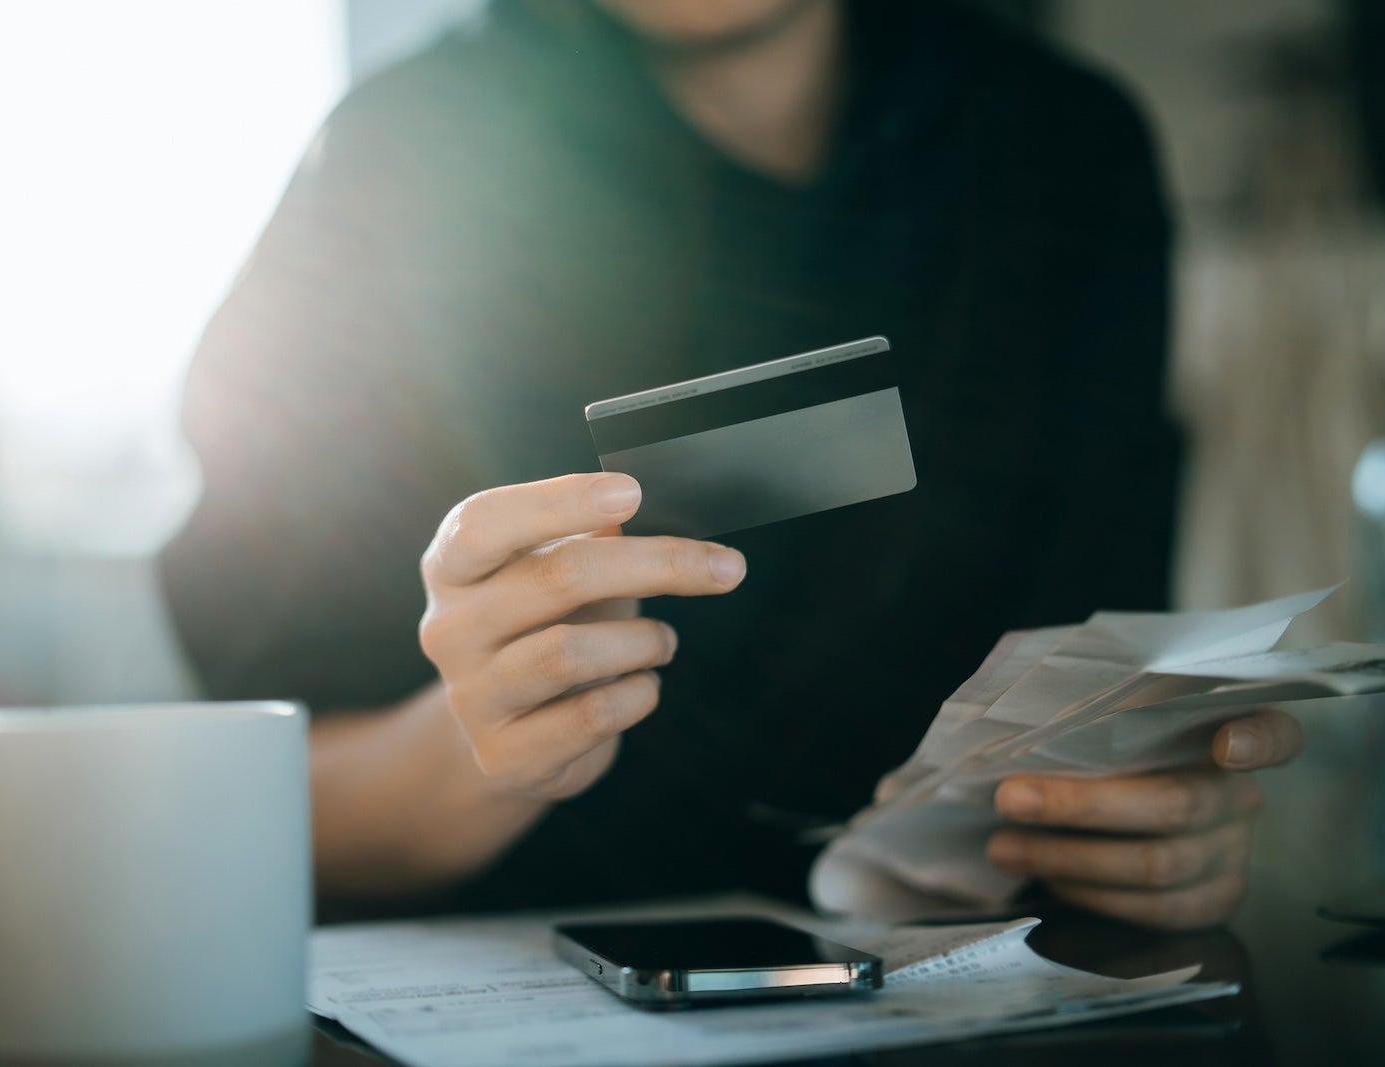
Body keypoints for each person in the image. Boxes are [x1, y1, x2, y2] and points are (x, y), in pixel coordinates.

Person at [160, 0, 1303, 929]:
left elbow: (1100, 677)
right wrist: (480, 745)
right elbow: (261, 814)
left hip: (984, 985)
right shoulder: (392, 172)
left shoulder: (1065, 149)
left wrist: (1156, 842)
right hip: (520, 989)